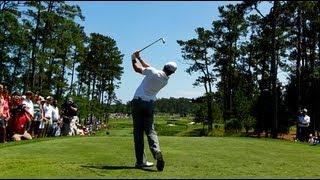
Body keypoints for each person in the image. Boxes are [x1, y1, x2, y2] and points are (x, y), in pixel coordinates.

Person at [130, 51, 177, 171]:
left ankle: (140, 162)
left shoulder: (153, 72)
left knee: (138, 133)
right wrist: (139, 57)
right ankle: (157, 151)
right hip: (150, 105)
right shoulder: (165, 80)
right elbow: (149, 67)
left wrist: (133, 59)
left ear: (164, 66)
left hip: (138, 102)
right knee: (150, 131)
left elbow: (137, 69)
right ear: (172, 72)